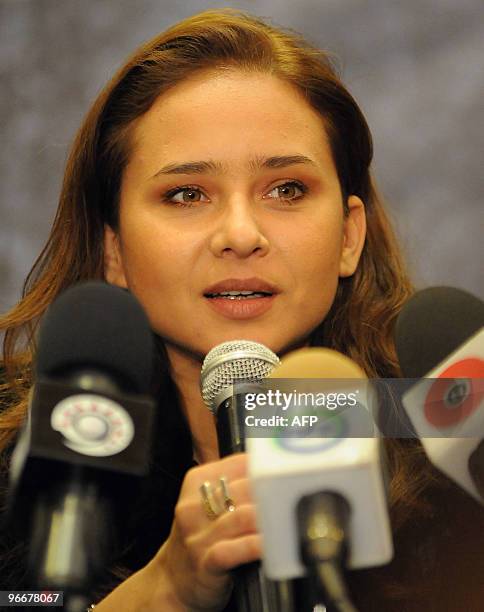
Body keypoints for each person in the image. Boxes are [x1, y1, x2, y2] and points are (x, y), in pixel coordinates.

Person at [0, 8, 482, 611]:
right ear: (114, 251)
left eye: (286, 190)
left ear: (349, 236)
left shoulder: (454, 452)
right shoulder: (32, 469)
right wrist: (166, 589)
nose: (240, 233)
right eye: (186, 194)